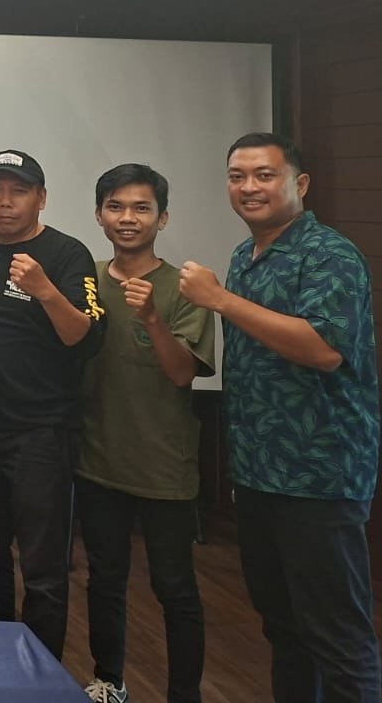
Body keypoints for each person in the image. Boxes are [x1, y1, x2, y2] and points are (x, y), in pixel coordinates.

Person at [179, 133, 379, 703]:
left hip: (319, 477)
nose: (249, 187)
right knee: (284, 629)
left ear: (300, 183)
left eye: (264, 175)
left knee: (338, 638)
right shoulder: (246, 255)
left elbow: (324, 348)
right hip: (260, 474)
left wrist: (220, 300)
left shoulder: (329, 254)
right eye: (237, 176)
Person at [0, 149, 103, 659]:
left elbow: (81, 336)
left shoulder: (67, 253)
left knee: (42, 567)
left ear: (41, 198)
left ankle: (40, 674)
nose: (6, 202)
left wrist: (44, 290)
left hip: (41, 433)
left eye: (18, 191)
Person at [78, 164, 214, 703]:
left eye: (141, 208)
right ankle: (108, 682)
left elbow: (182, 374)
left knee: (175, 588)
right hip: (97, 460)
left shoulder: (185, 287)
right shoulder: (85, 278)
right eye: (115, 207)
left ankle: (185, 694)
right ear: (98, 215)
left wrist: (153, 318)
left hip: (164, 467)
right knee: (105, 579)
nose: (127, 218)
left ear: (163, 217)